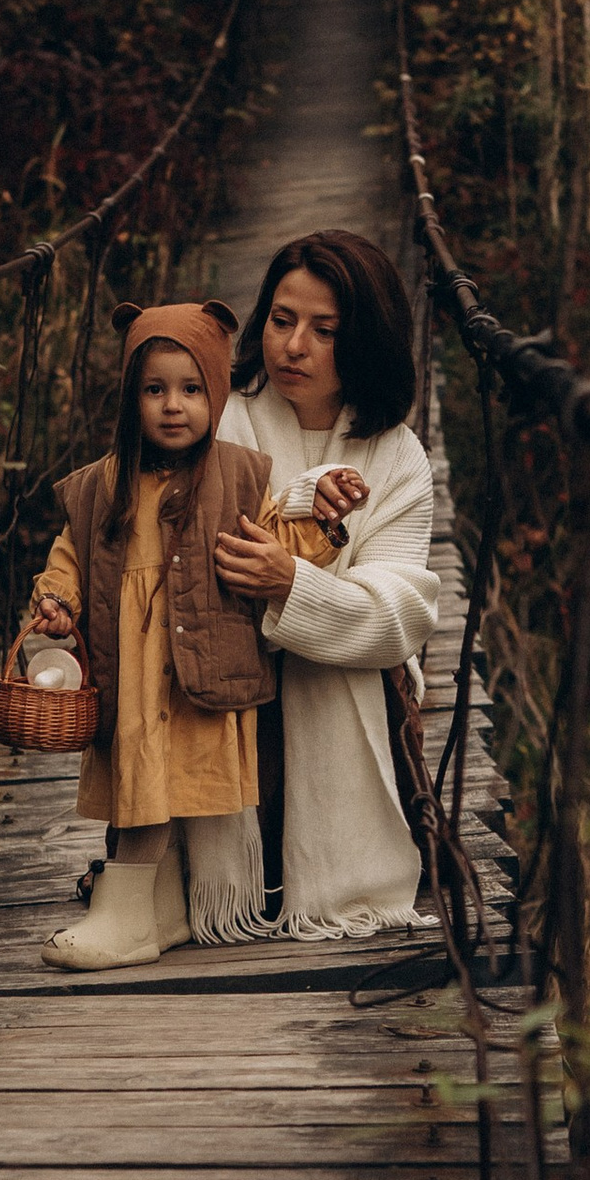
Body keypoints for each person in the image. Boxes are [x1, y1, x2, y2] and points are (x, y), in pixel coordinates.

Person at [20, 300, 359, 973]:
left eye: (191, 389)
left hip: (195, 665)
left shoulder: (238, 474)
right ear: (130, 399)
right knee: (146, 785)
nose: (173, 406)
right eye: (154, 390)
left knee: (158, 791)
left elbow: (276, 540)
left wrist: (320, 527)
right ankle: (161, 911)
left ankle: (124, 915)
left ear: (216, 395)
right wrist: (56, 602)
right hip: (134, 671)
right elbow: (69, 555)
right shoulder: (102, 485)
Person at [213, 230, 438, 938]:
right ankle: (221, 878)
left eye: (324, 330)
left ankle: (332, 874)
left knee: (346, 665)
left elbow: (399, 616)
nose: (293, 347)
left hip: (343, 688)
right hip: (221, 682)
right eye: (282, 321)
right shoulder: (217, 415)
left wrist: (290, 587)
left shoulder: (399, 458)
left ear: (365, 341)